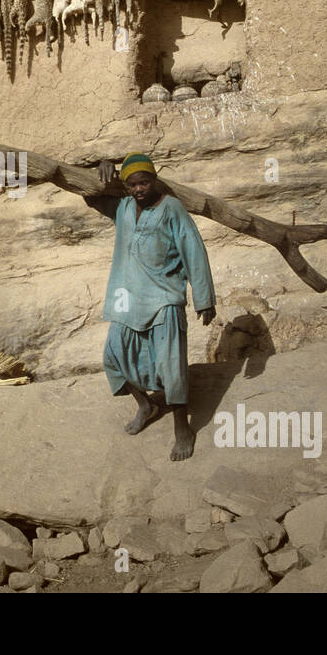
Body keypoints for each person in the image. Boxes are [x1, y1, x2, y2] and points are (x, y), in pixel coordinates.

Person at [84, 153, 216, 461]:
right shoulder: (124, 208)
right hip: (128, 298)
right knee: (113, 356)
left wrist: (204, 298)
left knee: (171, 366)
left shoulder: (171, 209)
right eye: (132, 184)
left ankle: (182, 427)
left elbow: (193, 248)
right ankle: (146, 404)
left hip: (164, 298)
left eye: (144, 182)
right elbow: (89, 196)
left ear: (154, 180)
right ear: (126, 187)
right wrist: (99, 169)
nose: (139, 189)